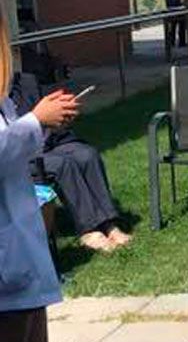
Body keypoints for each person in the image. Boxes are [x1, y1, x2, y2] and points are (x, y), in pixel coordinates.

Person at [0, 15, 75, 342]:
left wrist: (37, 122)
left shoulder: (4, 101)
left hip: (20, 254)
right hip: (6, 266)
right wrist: (34, 122)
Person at [9, 75, 131, 253]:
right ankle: (89, 229)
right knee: (62, 165)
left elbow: (48, 117)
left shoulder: (26, 82)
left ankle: (109, 225)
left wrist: (59, 117)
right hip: (18, 156)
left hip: (49, 140)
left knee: (86, 155)